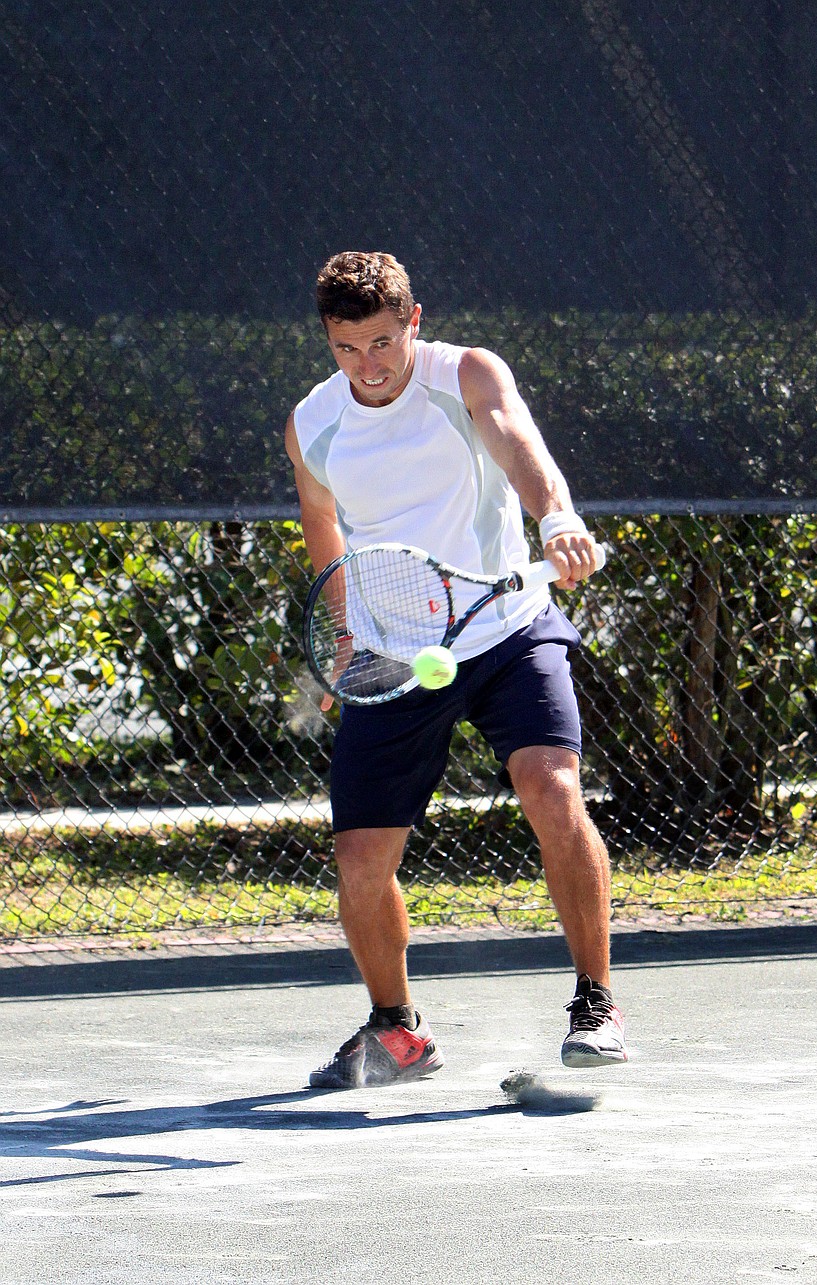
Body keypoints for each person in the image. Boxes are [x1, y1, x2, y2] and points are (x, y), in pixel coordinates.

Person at [285, 251, 627, 1089]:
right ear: (327, 342)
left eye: (381, 342)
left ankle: (596, 1001)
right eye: (346, 348)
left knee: (553, 788)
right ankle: (397, 1031)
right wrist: (344, 627)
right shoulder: (312, 424)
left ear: (414, 321)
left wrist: (556, 518)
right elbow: (322, 524)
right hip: (396, 654)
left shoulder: (465, 374)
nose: (368, 365)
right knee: (361, 860)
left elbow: (518, 442)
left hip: (508, 625)